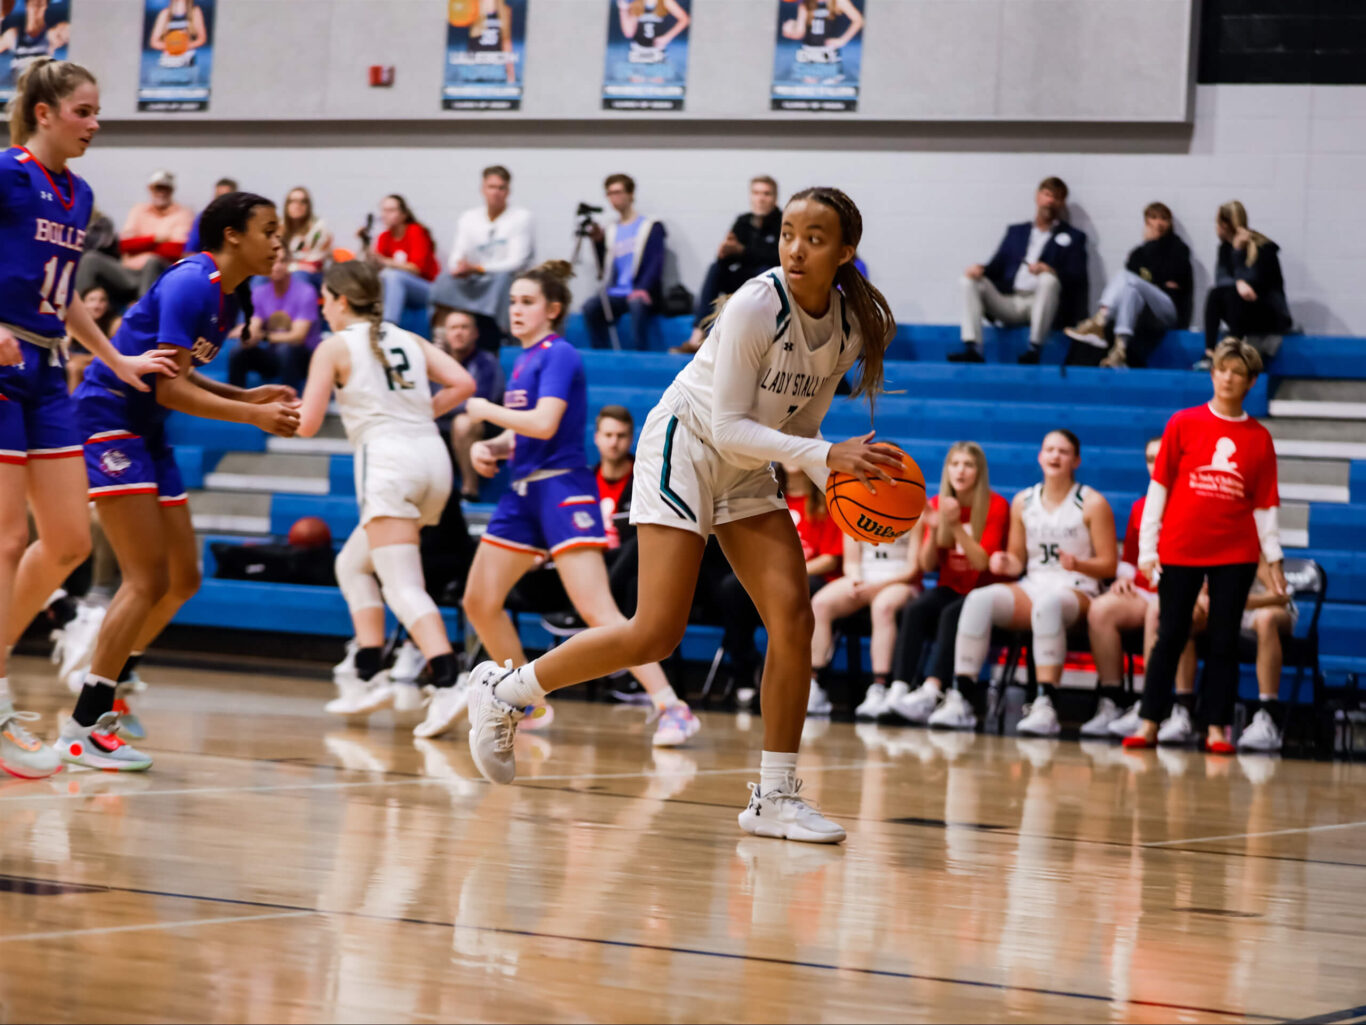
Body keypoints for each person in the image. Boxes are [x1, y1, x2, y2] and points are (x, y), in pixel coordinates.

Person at [463, 188, 899, 845]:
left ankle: (775, 797)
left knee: (793, 614)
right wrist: (821, 453)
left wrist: (839, 472)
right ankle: (507, 691)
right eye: (787, 233)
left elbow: (798, 425)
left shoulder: (848, 328)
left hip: (749, 459)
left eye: (814, 236)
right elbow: (727, 425)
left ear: (845, 251)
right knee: (654, 632)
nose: (796, 247)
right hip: (686, 443)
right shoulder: (759, 302)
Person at [55, 191, 300, 770]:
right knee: (144, 578)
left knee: (183, 578)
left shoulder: (233, 299)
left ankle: (114, 667)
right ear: (233, 234)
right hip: (111, 417)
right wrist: (252, 415)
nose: (278, 242)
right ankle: (87, 722)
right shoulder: (194, 280)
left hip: (149, 429)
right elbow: (165, 387)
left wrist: (246, 395)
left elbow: (179, 378)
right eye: (268, 230)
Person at [0, 58, 174, 780]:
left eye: (97, 111)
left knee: (68, 541)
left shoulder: (80, 195)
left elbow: (66, 294)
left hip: (47, 371)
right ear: (44, 113)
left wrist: (114, 357)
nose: (96, 124)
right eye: (84, 111)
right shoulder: (7, 173)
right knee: (8, 538)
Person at [458, 260, 701, 749]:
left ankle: (671, 706)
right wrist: (494, 446)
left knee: (598, 609)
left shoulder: (561, 353)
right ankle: (523, 703)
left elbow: (545, 424)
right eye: (512, 302)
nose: (517, 310)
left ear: (552, 309)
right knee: (479, 601)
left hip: (562, 491)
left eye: (527, 302)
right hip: (523, 491)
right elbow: (524, 430)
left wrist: (483, 412)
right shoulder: (522, 359)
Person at [297, 262, 475, 732]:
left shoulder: (333, 347)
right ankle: (368, 672)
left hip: (390, 465)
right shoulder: (409, 338)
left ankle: (448, 680)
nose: (320, 306)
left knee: (402, 586)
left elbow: (308, 424)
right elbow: (464, 383)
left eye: (324, 298)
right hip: (433, 461)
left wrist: (252, 409)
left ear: (339, 300)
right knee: (352, 564)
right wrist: (416, 413)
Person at [1126, 338, 1284, 752]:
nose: (1227, 377)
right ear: (1212, 373)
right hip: (1180, 547)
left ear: (1250, 381)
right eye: (1222, 369)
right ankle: (1149, 722)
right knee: (1171, 633)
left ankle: (1216, 728)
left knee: (1223, 638)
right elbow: (1158, 486)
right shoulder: (1183, 422)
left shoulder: (1259, 438)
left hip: (1236, 552)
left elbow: (1266, 504)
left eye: (1237, 371)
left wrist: (1276, 558)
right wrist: (1148, 547)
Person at [950, 430, 1118, 736]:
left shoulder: (1092, 502)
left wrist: (1079, 563)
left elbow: (1109, 565)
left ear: (1076, 460)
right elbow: (1017, 559)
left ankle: (1045, 704)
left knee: (1049, 605)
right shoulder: (1023, 501)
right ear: (1039, 456)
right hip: (1036, 582)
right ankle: (961, 697)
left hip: (1078, 588)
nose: (1055, 456)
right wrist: (1004, 562)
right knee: (979, 599)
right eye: (1049, 450)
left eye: (1063, 451)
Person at [880, 442, 1010, 725]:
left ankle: (932, 691)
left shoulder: (996, 505)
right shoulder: (937, 502)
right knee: (917, 609)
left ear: (979, 472)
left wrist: (953, 526)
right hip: (950, 586)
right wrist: (934, 529)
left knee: (953, 614)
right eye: (955, 464)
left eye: (968, 465)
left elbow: (982, 563)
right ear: (946, 469)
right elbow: (928, 566)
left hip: (984, 592)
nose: (960, 471)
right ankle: (899, 688)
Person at [712, 461, 842, 705]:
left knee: (792, 591)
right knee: (731, 588)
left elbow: (830, 560)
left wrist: (788, 572)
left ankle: (798, 678)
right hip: (772, 576)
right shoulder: (765, 495)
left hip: (813, 578)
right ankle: (745, 671)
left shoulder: (828, 498)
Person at [950, 177, 1088, 365]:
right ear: (1038, 196)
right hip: (1009, 300)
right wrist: (980, 269)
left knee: (1048, 280)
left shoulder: (1073, 237)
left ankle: (1034, 349)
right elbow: (995, 267)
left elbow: (1077, 277)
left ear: (1061, 202)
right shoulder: (1017, 232)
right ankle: (973, 348)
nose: (1050, 201)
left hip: (1041, 303)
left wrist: (1050, 270)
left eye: (1056, 197)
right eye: (1047, 195)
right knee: (968, 281)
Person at [1081, 437, 1165, 737]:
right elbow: (1129, 558)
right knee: (1101, 610)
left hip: (1179, 592)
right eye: (1150, 459)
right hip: (1144, 591)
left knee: (1160, 612)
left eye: (1162, 457)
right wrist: (1123, 578)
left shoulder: (1193, 505)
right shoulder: (1141, 507)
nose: (1156, 465)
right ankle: (1112, 702)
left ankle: (1151, 706)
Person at [1065, 202, 1193, 369]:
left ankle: (1101, 318)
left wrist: (1151, 248)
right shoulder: (1138, 253)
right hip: (1143, 313)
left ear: (1170, 223)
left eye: (1163, 218)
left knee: (1126, 278)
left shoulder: (1179, 248)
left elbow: (1170, 277)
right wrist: (1154, 278)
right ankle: (1120, 349)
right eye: (1153, 218)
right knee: (1130, 291)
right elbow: (1156, 280)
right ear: (1146, 222)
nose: (1158, 223)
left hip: (1167, 310)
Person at [807, 528, 920, 717]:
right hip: (864, 576)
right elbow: (851, 562)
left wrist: (877, 587)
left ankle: (879, 687)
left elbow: (912, 569)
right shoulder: (855, 504)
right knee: (820, 604)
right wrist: (855, 579)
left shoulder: (915, 508)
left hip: (901, 581)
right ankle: (816, 684)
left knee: (882, 607)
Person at [675, 175, 781, 355]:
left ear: (774, 198)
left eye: (766, 194)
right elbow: (732, 256)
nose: (760, 198)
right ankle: (697, 336)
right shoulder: (743, 221)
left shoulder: (783, 222)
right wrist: (724, 253)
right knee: (716, 268)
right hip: (743, 276)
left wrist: (742, 252)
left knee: (765, 272)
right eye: (756, 193)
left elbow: (776, 258)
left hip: (767, 282)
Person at [429, 165, 533, 349]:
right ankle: (441, 340)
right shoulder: (469, 217)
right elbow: (458, 253)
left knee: (502, 281)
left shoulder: (521, 217)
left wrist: (479, 268)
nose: (496, 192)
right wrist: (459, 267)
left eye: (501, 188)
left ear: (508, 191)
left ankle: (498, 335)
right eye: (492, 187)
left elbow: (517, 262)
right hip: (473, 277)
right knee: (444, 281)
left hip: (503, 278)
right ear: (483, 189)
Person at [74, 169, 193, 305]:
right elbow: (125, 245)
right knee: (91, 259)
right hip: (128, 272)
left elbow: (176, 250)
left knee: (152, 262)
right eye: (158, 188)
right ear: (150, 189)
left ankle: (142, 314)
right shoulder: (139, 210)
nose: (161, 192)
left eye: (165, 188)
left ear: (171, 190)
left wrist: (139, 245)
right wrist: (155, 239)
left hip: (160, 272)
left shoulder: (183, 214)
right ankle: (80, 309)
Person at [1197, 201, 1291, 370]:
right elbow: (1221, 280)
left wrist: (1239, 253)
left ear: (1224, 225)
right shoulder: (1225, 249)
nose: (1216, 227)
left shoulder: (1264, 248)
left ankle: (1233, 353)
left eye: (1217, 223)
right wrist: (1239, 281)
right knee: (1216, 294)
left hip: (1269, 314)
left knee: (1234, 295)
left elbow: (1255, 286)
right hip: (1242, 310)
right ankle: (1210, 353)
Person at [582, 173, 666, 352]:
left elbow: (655, 262)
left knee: (637, 304)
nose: (614, 197)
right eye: (610, 193)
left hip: (640, 291)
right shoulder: (611, 229)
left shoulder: (650, 226)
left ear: (631, 194)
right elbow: (604, 265)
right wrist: (597, 242)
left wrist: (643, 287)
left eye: (618, 192)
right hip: (616, 292)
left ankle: (639, 354)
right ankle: (601, 353)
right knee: (591, 307)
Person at [227, 248, 320, 392]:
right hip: (274, 355)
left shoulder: (305, 291)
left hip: (304, 359)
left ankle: (291, 403)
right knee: (239, 353)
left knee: (287, 350)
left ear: (289, 263)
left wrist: (263, 336)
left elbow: (297, 336)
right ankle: (234, 405)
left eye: (281, 261)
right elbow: (254, 325)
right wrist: (248, 335)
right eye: (272, 261)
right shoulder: (259, 292)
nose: (276, 266)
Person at [440, 308, 506, 502]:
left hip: (482, 429)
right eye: (453, 328)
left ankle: (470, 490)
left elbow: (482, 403)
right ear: (446, 333)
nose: (458, 332)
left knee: (463, 422)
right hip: (440, 431)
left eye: (464, 327)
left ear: (475, 333)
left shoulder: (488, 362)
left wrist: (443, 405)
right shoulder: (437, 362)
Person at [592, 404, 640, 614]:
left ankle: (600, 602)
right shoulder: (584, 483)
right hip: (594, 561)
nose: (614, 442)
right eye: (608, 435)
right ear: (597, 437)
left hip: (634, 563)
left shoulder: (646, 479)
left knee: (637, 550)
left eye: (621, 435)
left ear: (631, 439)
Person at [366, 194, 440, 326]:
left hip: (426, 289)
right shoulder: (384, 237)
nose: (385, 215)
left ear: (403, 214)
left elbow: (416, 269)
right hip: (396, 288)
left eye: (391, 210)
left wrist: (386, 261)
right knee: (379, 277)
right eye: (383, 210)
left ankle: (389, 324)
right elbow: (377, 270)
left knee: (392, 276)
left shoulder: (415, 231)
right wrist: (366, 244)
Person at [780, 0, 864, 85]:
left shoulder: (839, 2)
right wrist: (790, 29)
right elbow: (800, 32)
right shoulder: (806, 3)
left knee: (831, 89)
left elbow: (858, 20)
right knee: (809, 91)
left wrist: (843, 40)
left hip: (828, 53)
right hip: (809, 53)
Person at [615, 0, 690, 84]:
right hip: (638, 50)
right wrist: (623, 10)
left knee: (657, 85)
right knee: (636, 86)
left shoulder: (665, 2)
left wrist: (667, 37)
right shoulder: (637, 2)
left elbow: (684, 19)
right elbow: (628, 33)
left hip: (657, 51)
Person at [64, 284, 121, 392]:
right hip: (80, 362)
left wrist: (75, 358)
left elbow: (109, 355)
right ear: (82, 303)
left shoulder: (114, 323)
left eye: (102, 300)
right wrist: (71, 331)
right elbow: (62, 352)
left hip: (107, 365)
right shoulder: (73, 321)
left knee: (73, 367)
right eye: (92, 300)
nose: (97, 305)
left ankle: (72, 407)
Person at [0, 0, 69, 84]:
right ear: (27, 6)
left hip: (40, 86)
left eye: (41, 5)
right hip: (20, 86)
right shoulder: (13, 35)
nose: (37, 9)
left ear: (46, 7)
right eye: (33, 4)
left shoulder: (52, 35)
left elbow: (68, 31)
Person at [280, 186, 332, 288]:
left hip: (312, 275)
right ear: (286, 205)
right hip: (285, 272)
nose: (297, 205)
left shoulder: (319, 229)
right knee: (260, 278)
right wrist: (293, 265)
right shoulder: (279, 228)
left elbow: (313, 264)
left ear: (308, 206)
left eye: (303, 202)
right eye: (293, 201)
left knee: (299, 276)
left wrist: (289, 265)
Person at [184, 177, 237, 255]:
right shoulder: (204, 218)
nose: (221, 201)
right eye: (218, 197)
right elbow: (189, 252)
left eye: (226, 197)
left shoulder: (243, 219)